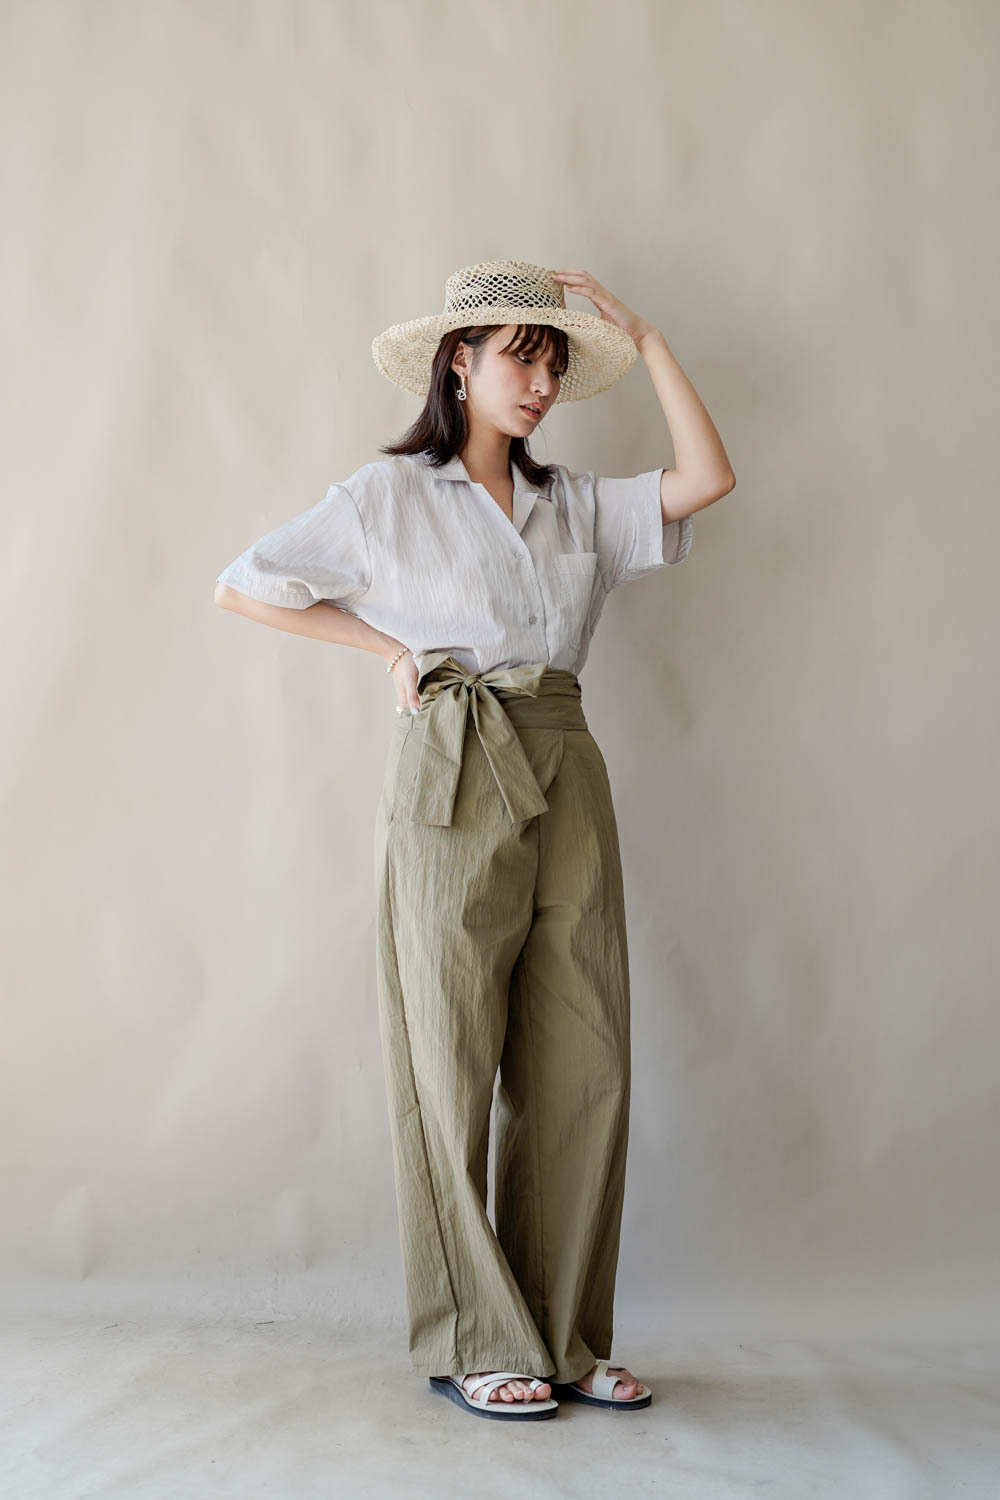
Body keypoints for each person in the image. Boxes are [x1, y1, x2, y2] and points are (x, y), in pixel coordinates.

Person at [215, 260, 735, 1422]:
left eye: (555, 363)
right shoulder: (387, 497)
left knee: (584, 1055)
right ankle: (472, 1334)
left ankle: (564, 1336)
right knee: (447, 1054)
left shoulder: (576, 504)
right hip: (452, 756)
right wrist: (389, 651)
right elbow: (245, 585)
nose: (541, 383)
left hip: (564, 757)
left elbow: (707, 478)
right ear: (460, 360)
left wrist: (645, 337)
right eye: (521, 357)